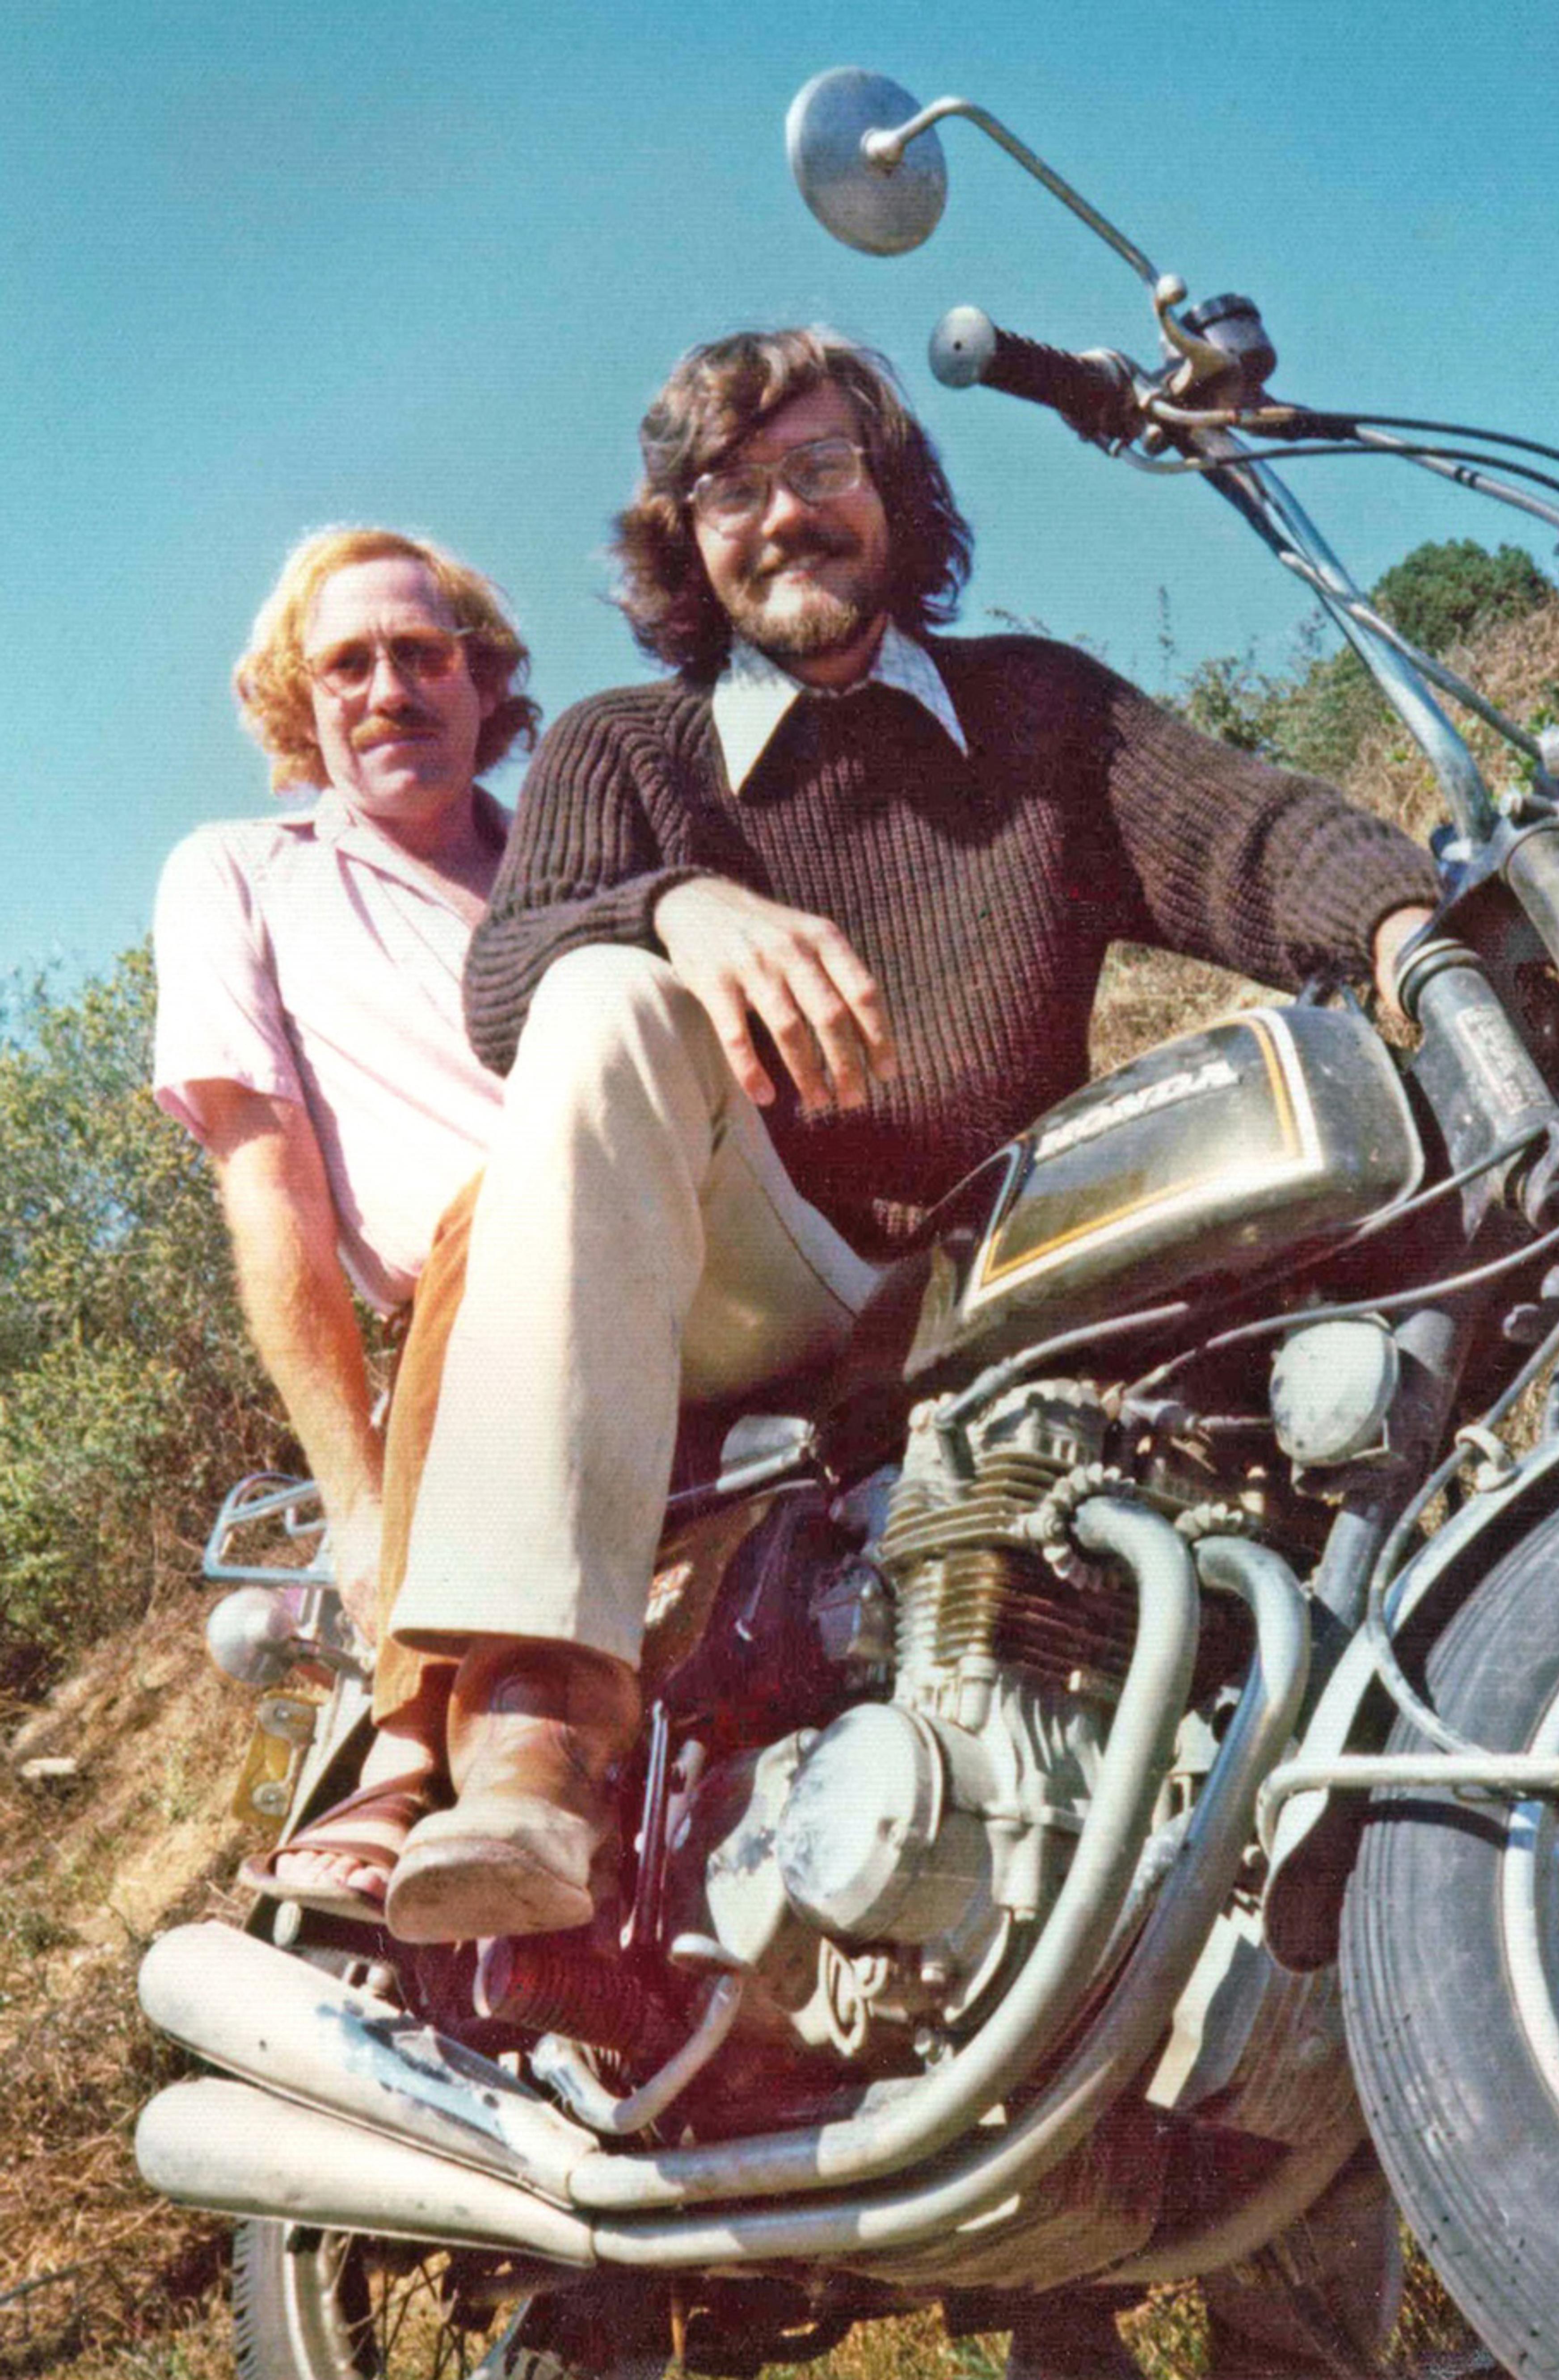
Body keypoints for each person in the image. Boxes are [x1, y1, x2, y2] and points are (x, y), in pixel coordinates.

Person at [378, 326, 1438, 1952]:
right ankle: (536, 1714)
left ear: (892, 492)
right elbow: (512, 988)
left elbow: (1258, 832)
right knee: (600, 999)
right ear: (682, 542)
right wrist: (674, 908)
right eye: (729, 491)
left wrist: (1411, 929)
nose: (782, 516)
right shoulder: (623, 747)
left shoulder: (1042, 711)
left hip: (1007, 1264)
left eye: (819, 469)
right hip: (758, 1269)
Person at [152, 524, 539, 1918]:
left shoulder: (572, 847)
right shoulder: (241, 873)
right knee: (513, 1205)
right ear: (301, 707)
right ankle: (418, 1721)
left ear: (483, 681)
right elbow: (268, 1182)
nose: (390, 689)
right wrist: (365, 1500)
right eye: (349, 664)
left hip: (684, 1249)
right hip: (476, 1306)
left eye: (425, 654)